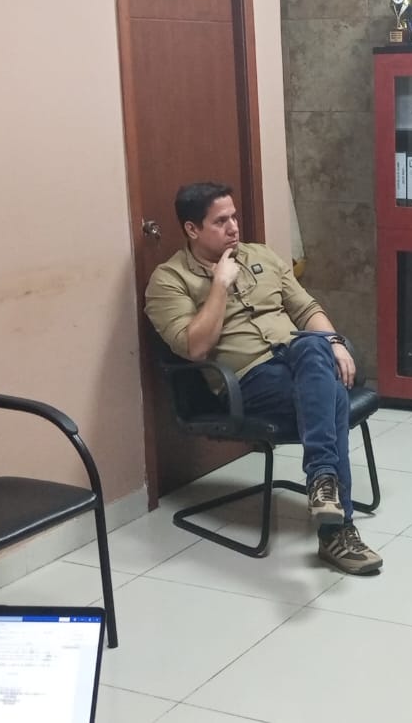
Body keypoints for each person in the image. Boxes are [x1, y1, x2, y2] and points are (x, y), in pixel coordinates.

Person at [145, 182, 382, 575]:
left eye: (234, 216)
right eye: (220, 221)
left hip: (301, 360)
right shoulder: (169, 280)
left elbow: (306, 309)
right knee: (334, 397)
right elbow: (195, 347)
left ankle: (323, 482)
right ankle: (336, 530)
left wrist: (336, 343)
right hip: (248, 380)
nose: (234, 227)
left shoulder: (262, 256)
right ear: (192, 229)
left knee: (314, 346)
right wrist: (219, 284)